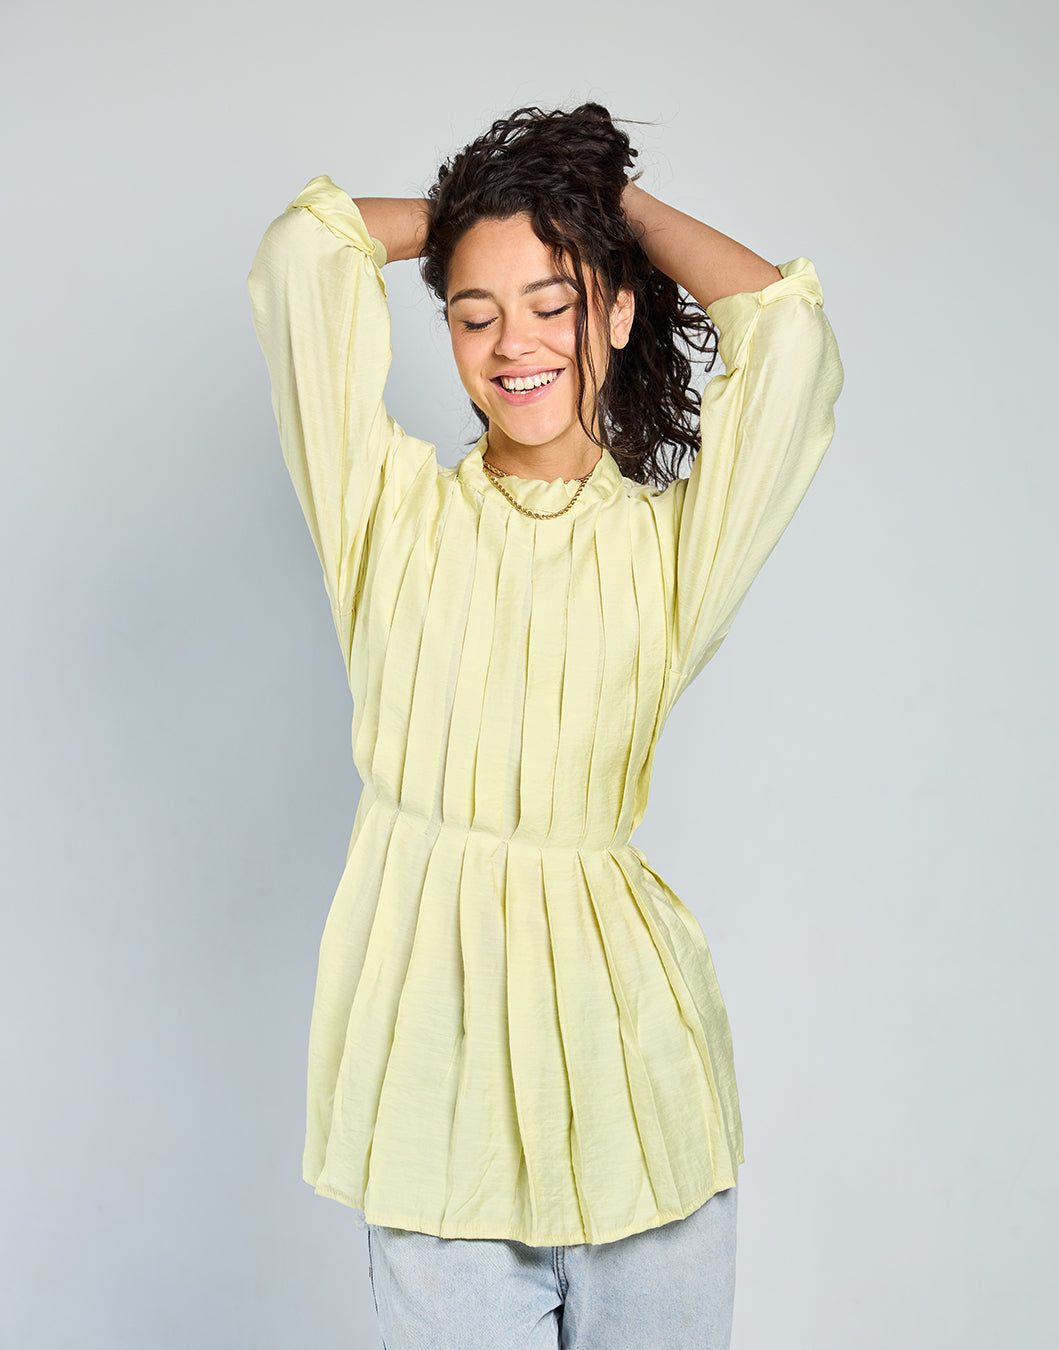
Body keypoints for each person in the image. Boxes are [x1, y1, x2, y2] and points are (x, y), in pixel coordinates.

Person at [247, 102, 843, 1350]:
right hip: (434, 1103)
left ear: (615, 311)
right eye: (476, 313)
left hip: (641, 1100)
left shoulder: (671, 553)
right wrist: (490, 210)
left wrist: (602, 211)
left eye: (553, 302)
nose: (514, 342)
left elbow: (787, 340)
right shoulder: (383, 514)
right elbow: (308, 252)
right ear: (449, 333)